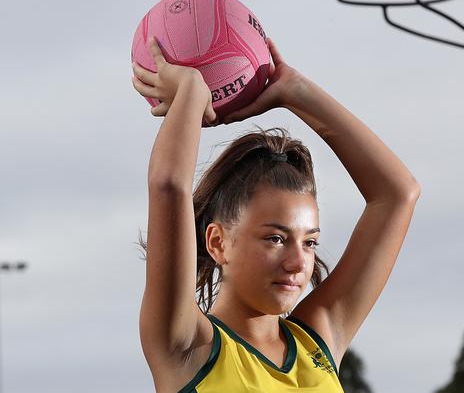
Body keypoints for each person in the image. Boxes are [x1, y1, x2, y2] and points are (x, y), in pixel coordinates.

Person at [131, 36, 420, 392]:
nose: (299, 262)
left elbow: (398, 194)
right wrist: (191, 91)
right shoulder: (188, 346)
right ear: (218, 242)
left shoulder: (319, 340)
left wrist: (294, 91)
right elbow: (168, 185)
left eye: (310, 242)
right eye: (276, 238)